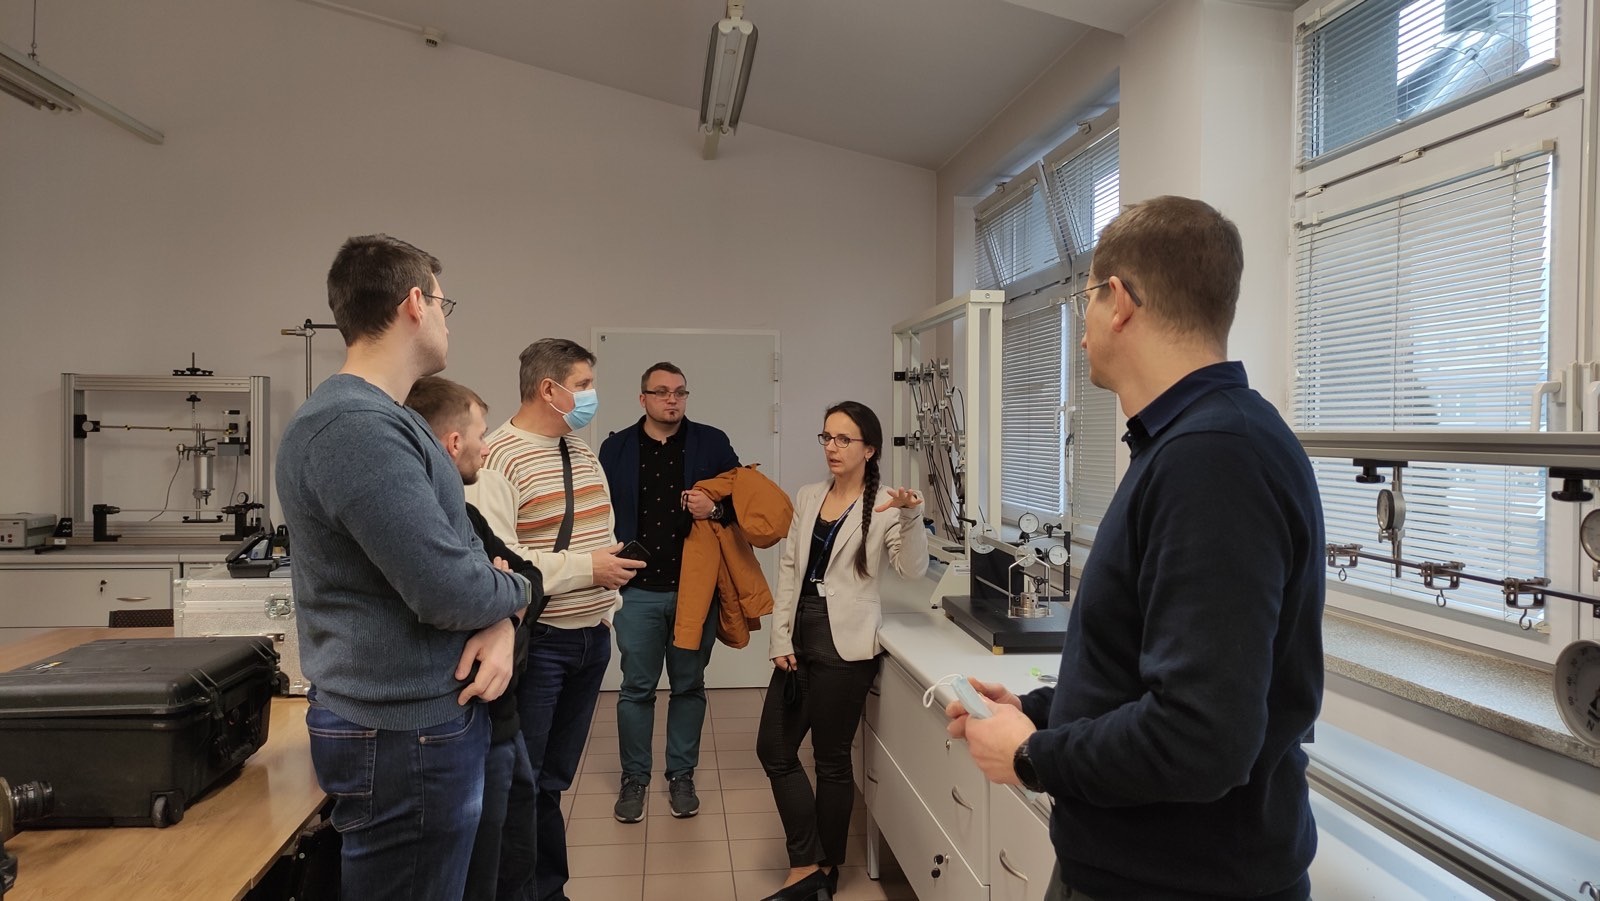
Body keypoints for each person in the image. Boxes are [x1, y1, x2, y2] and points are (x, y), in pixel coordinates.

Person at [946, 196, 1325, 901]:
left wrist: (1031, 754)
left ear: (1118, 301)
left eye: (1087, 298)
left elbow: (1200, 736)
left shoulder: (1214, 457)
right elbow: (1147, 671)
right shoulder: (1187, 443)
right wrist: (1042, 708)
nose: (1081, 331)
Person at [276, 235, 534, 900]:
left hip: (417, 726)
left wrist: (499, 617)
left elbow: (464, 558)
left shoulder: (391, 420)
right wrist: (516, 592)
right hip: (400, 736)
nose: (448, 320)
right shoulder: (354, 429)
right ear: (416, 303)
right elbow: (449, 588)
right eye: (446, 304)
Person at [466, 337, 645, 901]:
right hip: (540, 644)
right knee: (523, 784)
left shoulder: (581, 451)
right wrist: (589, 568)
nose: (592, 395)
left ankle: (547, 888)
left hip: (592, 641)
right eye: (584, 385)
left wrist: (608, 604)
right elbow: (501, 563)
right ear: (549, 389)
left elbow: (602, 537)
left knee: (552, 780)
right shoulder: (497, 457)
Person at [755, 401, 927, 901]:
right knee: (774, 748)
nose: (831, 447)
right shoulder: (809, 496)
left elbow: (912, 570)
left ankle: (822, 868)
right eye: (826, 437)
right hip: (801, 633)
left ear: (869, 449)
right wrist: (779, 636)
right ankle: (810, 861)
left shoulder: (887, 504)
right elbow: (790, 570)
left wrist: (911, 515)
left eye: (843, 439)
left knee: (830, 759)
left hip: (846, 644)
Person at [405, 375, 548, 901]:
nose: (488, 447)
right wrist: (499, 593)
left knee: (516, 859)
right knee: (477, 875)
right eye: (482, 434)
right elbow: (451, 604)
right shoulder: (420, 524)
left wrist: (502, 619)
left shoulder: (465, 515)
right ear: (452, 442)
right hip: (458, 727)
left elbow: (530, 581)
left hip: (503, 726)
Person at [597, 362, 740, 823]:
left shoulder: (712, 443)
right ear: (643, 399)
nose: (672, 399)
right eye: (661, 392)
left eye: (679, 391)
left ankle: (681, 775)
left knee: (689, 686)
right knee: (635, 689)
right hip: (635, 590)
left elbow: (742, 503)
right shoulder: (616, 448)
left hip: (695, 591)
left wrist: (713, 508)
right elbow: (599, 513)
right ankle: (634, 779)